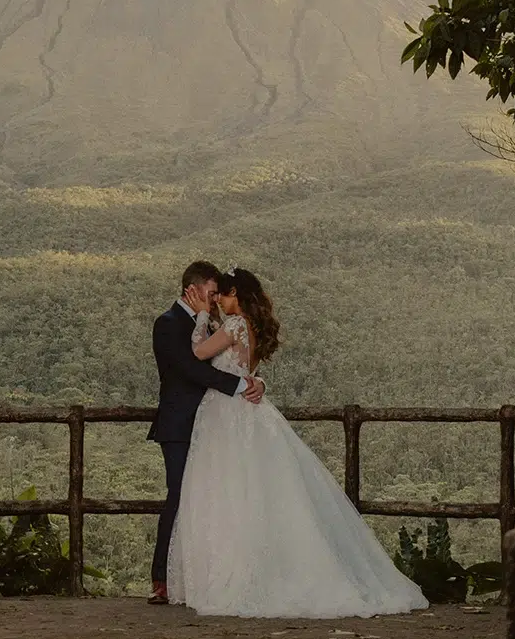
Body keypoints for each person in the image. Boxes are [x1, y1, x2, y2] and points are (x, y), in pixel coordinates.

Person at [167, 267, 428, 618]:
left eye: (223, 295)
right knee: (248, 489)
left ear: (236, 296)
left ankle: (231, 573)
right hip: (242, 409)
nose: (218, 302)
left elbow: (199, 354)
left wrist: (201, 315)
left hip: (227, 414)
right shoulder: (249, 328)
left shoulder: (233, 324)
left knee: (228, 488)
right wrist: (255, 382)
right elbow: (245, 371)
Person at [147, 260, 263, 604]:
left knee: (210, 500)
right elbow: (190, 370)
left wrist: (255, 382)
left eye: (217, 296)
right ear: (193, 289)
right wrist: (242, 385)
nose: (214, 301)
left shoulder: (213, 321)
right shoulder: (167, 324)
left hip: (213, 424)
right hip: (181, 424)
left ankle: (203, 577)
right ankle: (162, 580)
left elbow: (238, 356)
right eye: (211, 294)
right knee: (180, 498)